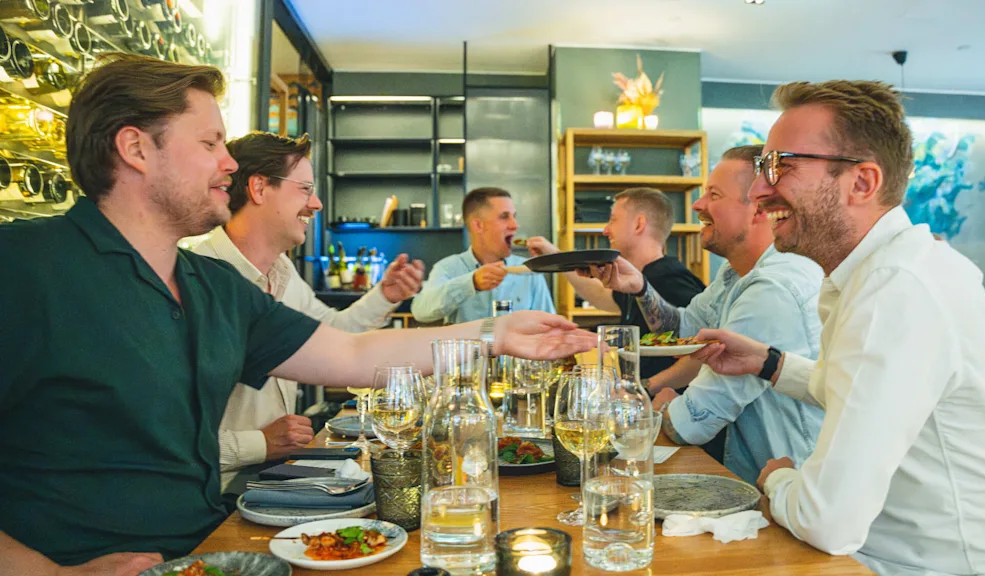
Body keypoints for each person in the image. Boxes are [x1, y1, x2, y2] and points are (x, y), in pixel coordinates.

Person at [0, 54, 596, 575]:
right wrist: (49, 573)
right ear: (135, 149)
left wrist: (496, 332)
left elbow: (350, 353)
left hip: (212, 550)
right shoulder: (24, 267)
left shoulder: (213, 286)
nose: (229, 165)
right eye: (209, 144)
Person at [688, 81, 985, 574]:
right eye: (763, 167)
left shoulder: (896, 289)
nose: (759, 191)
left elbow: (826, 520)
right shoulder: (887, 271)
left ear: (862, 183)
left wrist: (777, 479)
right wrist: (769, 363)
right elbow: (856, 389)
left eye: (781, 166)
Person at [190, 132, 424, 494]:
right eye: (305, 189)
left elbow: (334, 333)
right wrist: (259, 443)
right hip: (215, 496)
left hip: (274, 478)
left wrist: (385, 295)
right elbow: (163, 441)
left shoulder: (282, 270)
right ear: (258, 188)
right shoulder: (196, 278)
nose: (316, 204)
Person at [580, 147, 824, 485]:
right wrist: (640, 288)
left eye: (714, 195)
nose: (697, 205)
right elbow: (683, 330)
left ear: (758, 208)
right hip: (754, 481)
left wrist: (663, 403)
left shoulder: (772, 289)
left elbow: (690, 424)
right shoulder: (735, 273)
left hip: (787, 490)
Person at [526, 187, 705, 382]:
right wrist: (556, 258)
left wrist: (647, 387)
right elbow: (602, 296)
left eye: (613, 220)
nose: (605, 230)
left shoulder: (669, 278)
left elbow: (701, 351)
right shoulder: (640, 279)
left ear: (638, 224)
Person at [411, 187, 555, 323]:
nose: (515, 225)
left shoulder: (528, 270)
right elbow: (420, 311)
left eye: (514, 216)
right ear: (478, 225)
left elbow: (549, 323)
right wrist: (471, 283)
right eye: (504, 217)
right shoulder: (448, 268)